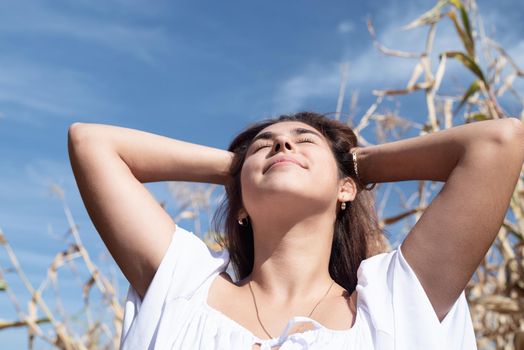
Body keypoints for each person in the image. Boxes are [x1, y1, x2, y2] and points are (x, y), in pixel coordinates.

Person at [68, 112, 524, 349]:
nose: (282, 142)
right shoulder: (183, 284)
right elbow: (92, 144)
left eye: (303, 140)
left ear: (347, 190)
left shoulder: (396, 298)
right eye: (265, 145)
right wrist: (240, 169)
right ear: (240, 204)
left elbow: (498, 142)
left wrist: (352, 163)